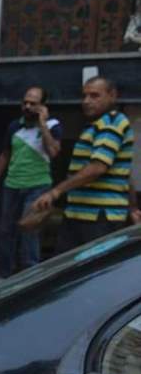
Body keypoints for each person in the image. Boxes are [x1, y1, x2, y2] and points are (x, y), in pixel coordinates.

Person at [32, 77, 135, 252]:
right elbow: (124, 173)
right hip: (80, 214)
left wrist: (55, 192)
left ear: (112, 95)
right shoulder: (94, 126)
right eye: (84, 96)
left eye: (94, 96)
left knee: (91, 268)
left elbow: (97, 167)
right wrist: (132, 207)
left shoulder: (111, 123)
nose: (86, 101)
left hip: (98, 217)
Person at [0, 86, 62, 276]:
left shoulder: (53, 125)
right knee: (5, 230)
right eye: (25, 102)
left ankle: (30, 275)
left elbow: (53, 152)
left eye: (33, 103)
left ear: (43, 106)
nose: (27, 106)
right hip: (12, 184)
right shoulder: (15, 126)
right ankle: (5, 273)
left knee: (30, 230)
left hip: (38, 185)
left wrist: (42, 124)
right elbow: (5, 154)